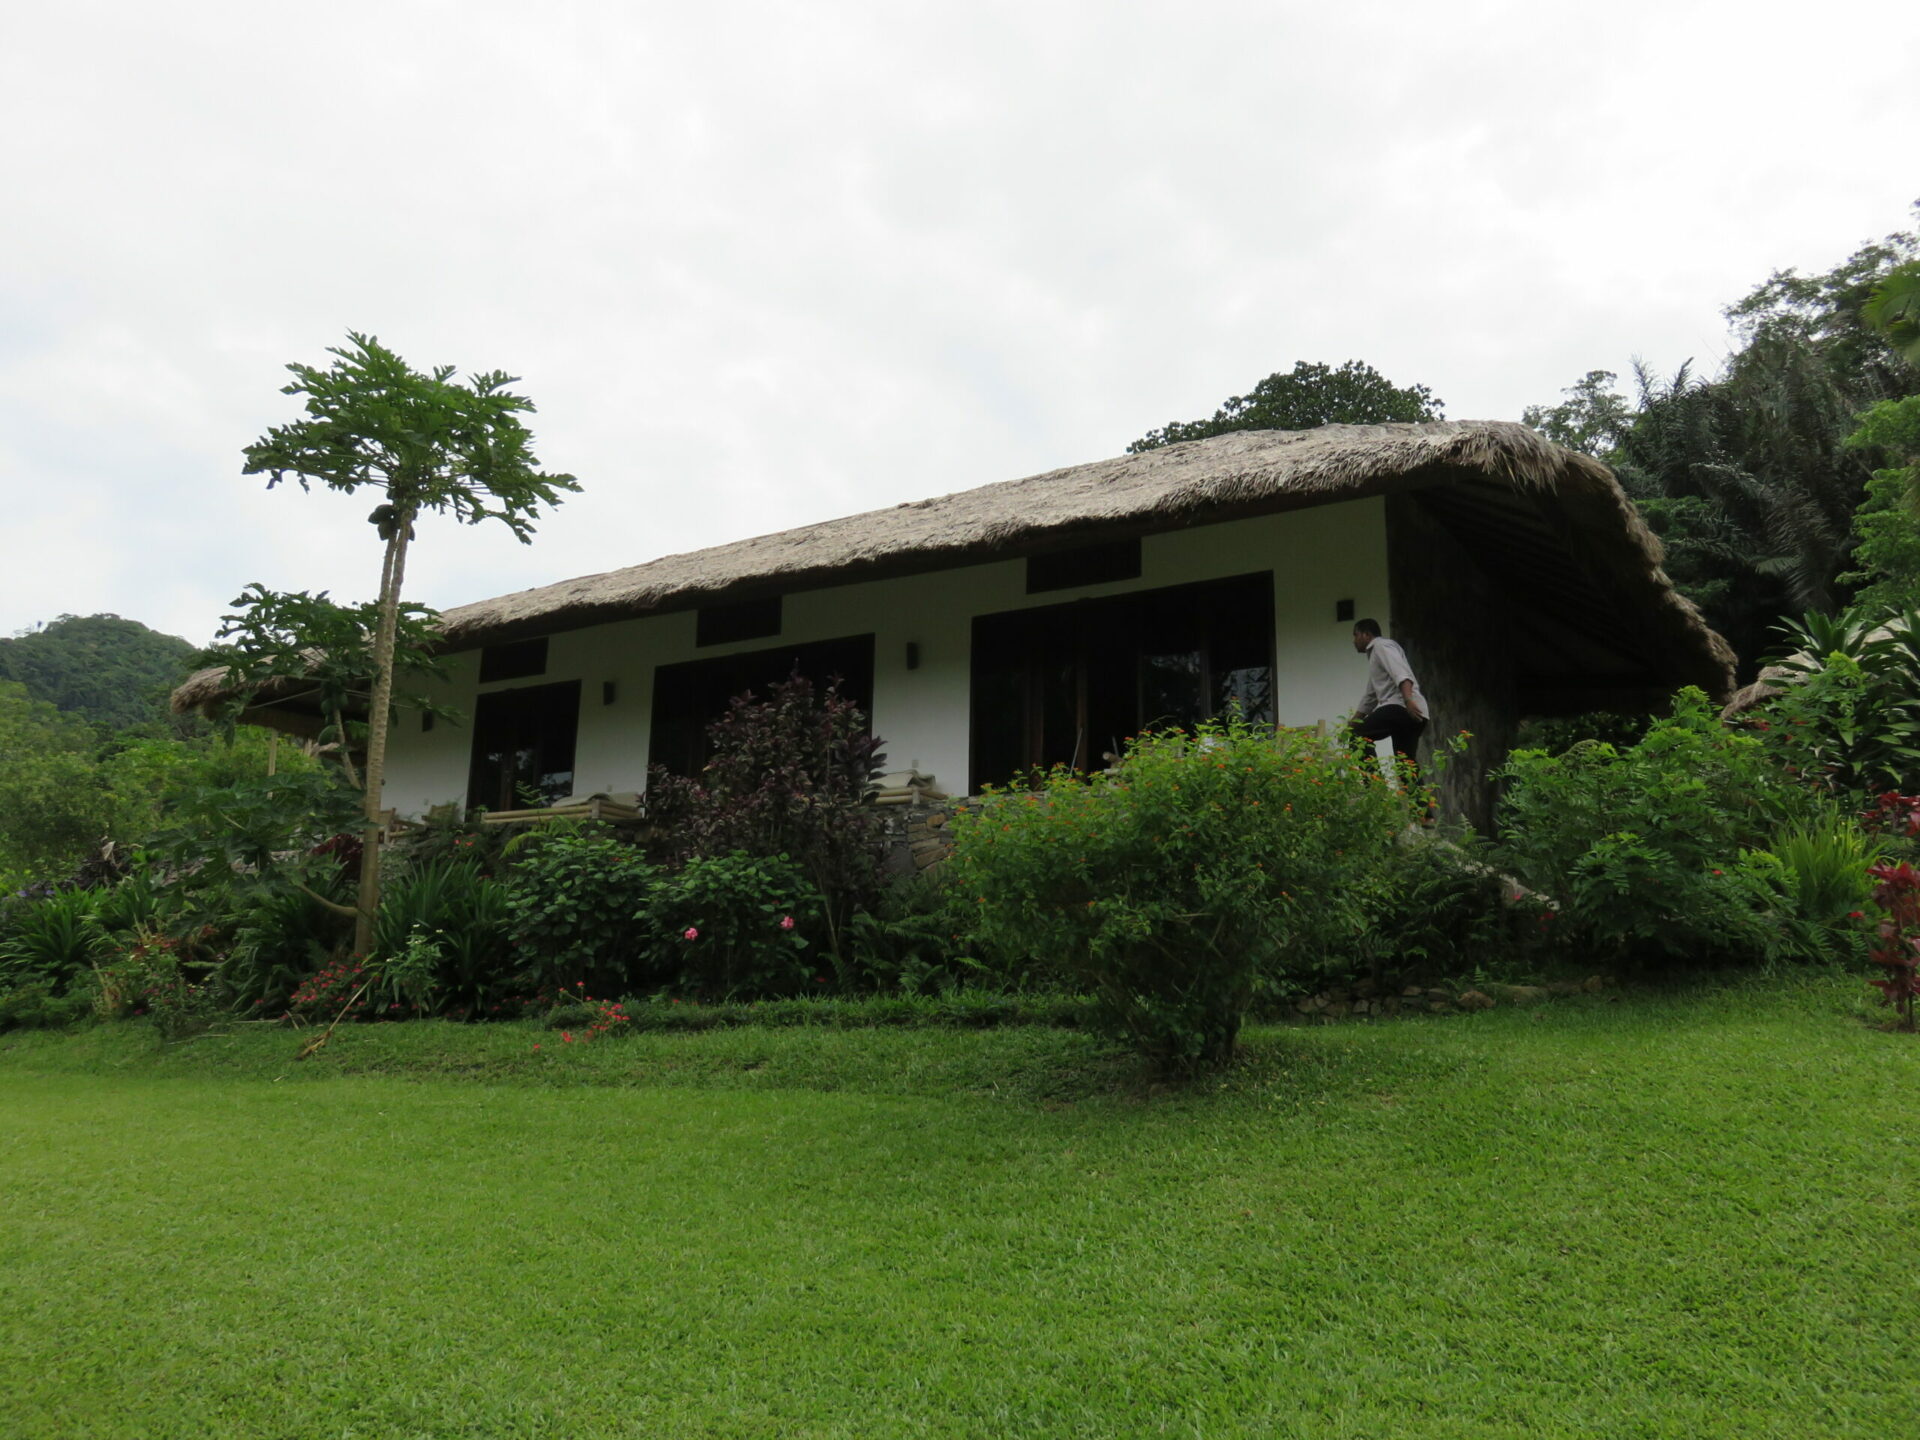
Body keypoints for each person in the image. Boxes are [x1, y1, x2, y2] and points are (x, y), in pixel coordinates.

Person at [1347, 618, 1427, 782]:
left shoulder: (1381, 646)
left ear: (1367, 635)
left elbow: (1401, 674)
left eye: (1356, 635)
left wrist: (1408, 700)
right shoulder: (1376, 656)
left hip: (1401, 707)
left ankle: (1376, 789)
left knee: (1358, 737)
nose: (1353, 641)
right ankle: (1421, 807)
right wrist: (1353, 722)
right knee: (1406, 767)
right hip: (1416, 713)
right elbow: (1370, 697)